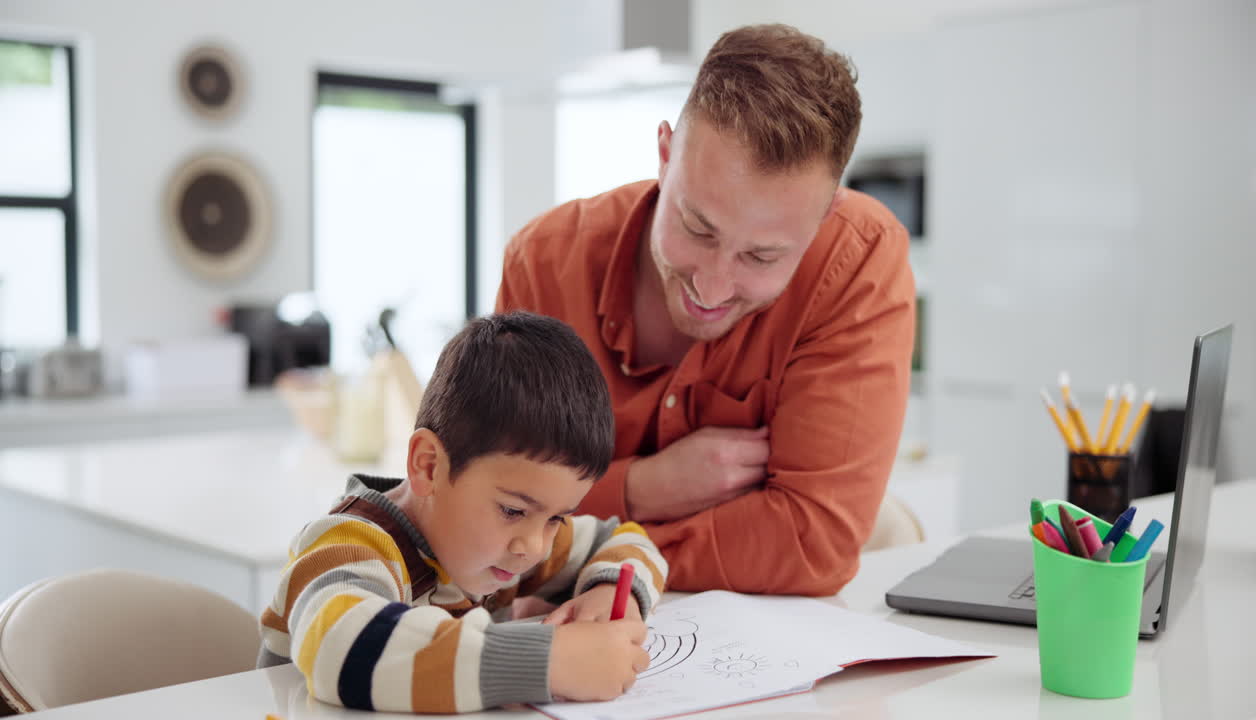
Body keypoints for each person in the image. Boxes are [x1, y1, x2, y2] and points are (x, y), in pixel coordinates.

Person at [497, 24, 915, 596]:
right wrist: (645, 488)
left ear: (824, 218)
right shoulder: (542, 263)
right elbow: (498, 498)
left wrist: (602, 555)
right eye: (697, 227)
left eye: (761, 256)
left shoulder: (859, 256)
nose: (712, 287)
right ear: (665, 157)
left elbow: (811, 544)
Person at [257, 312, 667, 713]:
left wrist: (613, 591)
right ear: (428, 466)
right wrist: (549, 662)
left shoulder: (504, 549)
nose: (536, 548)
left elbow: (626, 539)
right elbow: (340, 648)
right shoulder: (346, 547)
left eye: (556, 518)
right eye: (512, 510)